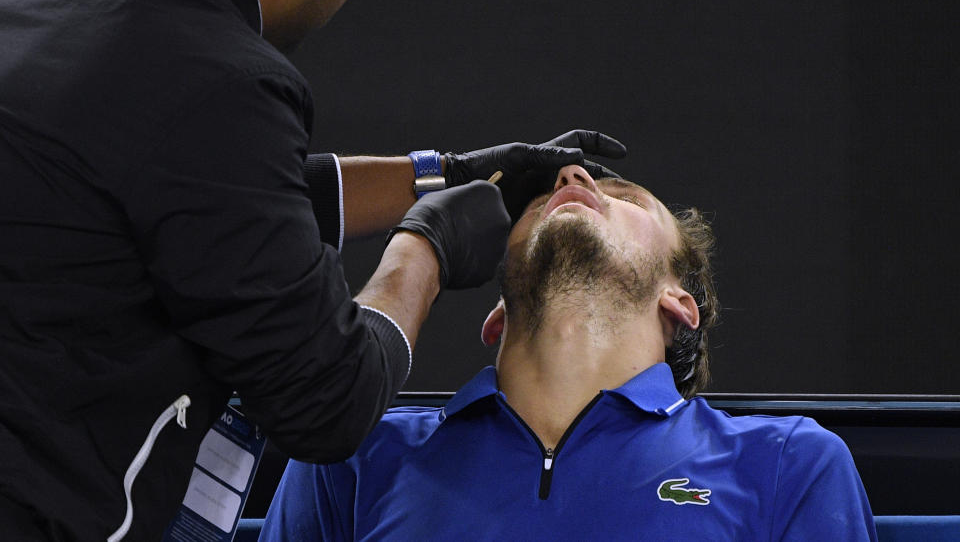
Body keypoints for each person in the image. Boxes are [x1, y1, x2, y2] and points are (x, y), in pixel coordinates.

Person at [0, 0, 627, 538]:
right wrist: (425, 247)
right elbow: (329, 399)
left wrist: (448, 173)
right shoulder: (219, 77)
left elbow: (192, 199)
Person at [261, 164, 878, 541]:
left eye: (628, 199)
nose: (571, 179)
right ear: (496, 315)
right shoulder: (356, 457)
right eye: (539, 203)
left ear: (679, 303)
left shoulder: (789, 466)